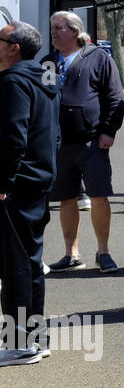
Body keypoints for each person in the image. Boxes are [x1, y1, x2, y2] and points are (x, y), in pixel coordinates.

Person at [46, 10, 124, 273]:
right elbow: (45, 99)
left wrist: (108, 131)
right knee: (66, 198)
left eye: (59, 28)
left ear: (75, 31)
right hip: (60, 144)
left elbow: (115, 99)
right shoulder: (49, 62)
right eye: (52, 28)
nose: (54, 32)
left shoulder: (99, 58)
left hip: (92, 142)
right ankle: (71, 254)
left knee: (98, 196)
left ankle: (103, 252)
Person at [0, 22, 59, 366]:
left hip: (19, 185)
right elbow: (54, 133)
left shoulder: (13, 82)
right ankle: (34, 338)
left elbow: (13, 137)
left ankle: (21, 343)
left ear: (14, 48)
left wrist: (3, 182)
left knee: (17, 265)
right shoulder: (46, 77)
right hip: (39, 181)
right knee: (30, 263)